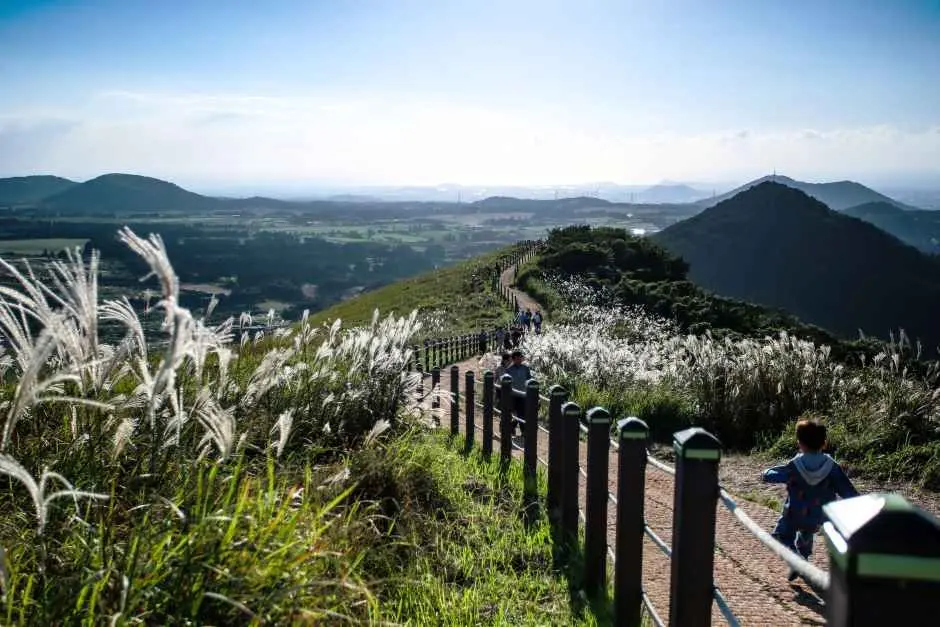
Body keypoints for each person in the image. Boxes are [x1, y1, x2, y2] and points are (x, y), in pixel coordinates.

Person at [761, 418, 858, 581]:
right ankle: (803, 559)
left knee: (780, 535)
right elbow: (848, 492)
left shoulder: (795, 465)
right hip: (819, 516)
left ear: (800, 443)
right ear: (824, 443)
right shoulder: (832, 466)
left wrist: (766, 473)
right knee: (806, 533)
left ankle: (796, 560)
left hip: (794, 514)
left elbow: (772, 475)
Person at [505, 349, 532, 436]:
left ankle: (523, 431)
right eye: (517, 358)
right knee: (515, 413)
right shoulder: (509, 370)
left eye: (520, 358)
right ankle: (512, 426)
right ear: (513, 359)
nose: (519, 360)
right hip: (512, 395)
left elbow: (529, 379)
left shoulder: (525, 368)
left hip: (523, 395)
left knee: (521, 413)